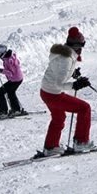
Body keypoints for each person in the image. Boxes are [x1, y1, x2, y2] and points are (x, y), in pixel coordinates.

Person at [40, 27, 93, 156]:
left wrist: (72, 73)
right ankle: (81, 142)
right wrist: (75, 85)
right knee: (84, 108)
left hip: (46, 92)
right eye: (82, 44)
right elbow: (59, 84)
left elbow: (57, 71)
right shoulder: (67, 59)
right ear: (76, 45)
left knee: (59, 117)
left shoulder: (62, 54)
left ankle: (51, 147)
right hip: (54, 94)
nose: (82, 48)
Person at [0, 44, 26, 119]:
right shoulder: (9, 57)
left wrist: (0, 70)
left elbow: (11, 73)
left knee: (0, 92)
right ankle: (16, 110)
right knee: (11, 92)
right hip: (17, 78)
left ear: (2, 53)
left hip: (15, 79)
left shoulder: (9, 60)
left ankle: (4, 112)